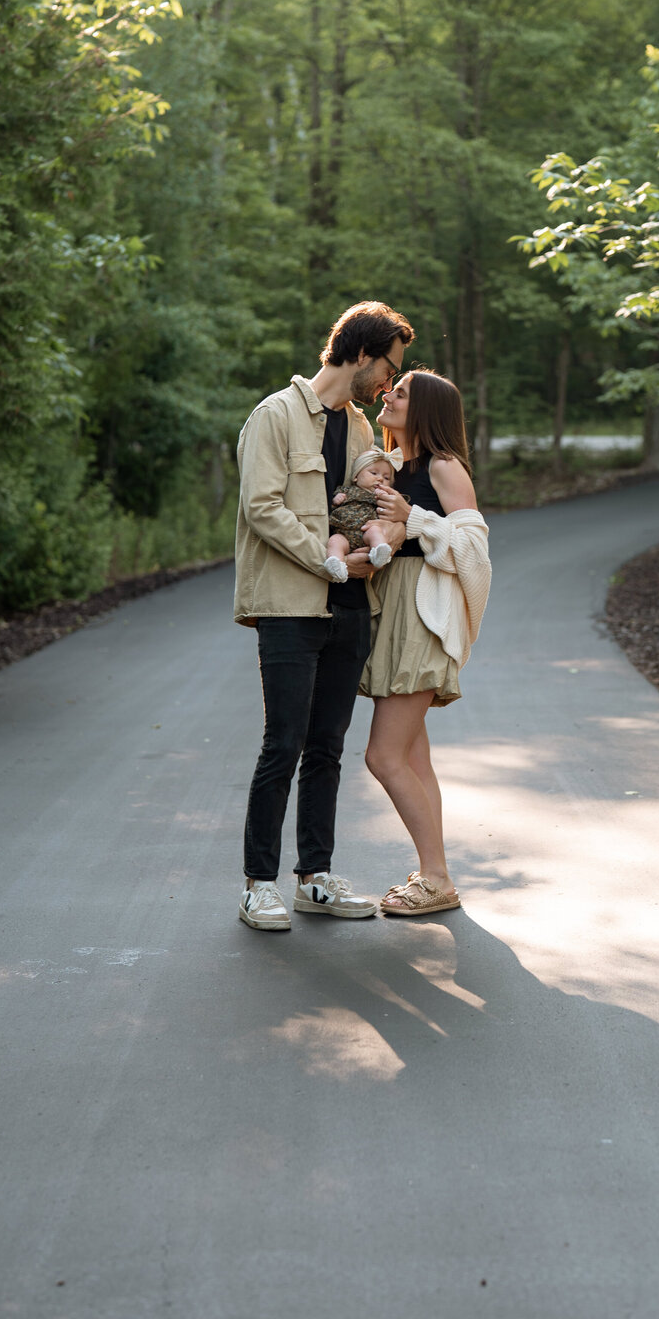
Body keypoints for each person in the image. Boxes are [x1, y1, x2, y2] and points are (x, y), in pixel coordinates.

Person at [233, 301, 415, 931]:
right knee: (283, 743)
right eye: (389, 366)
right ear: (362, 353)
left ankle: (314, 877)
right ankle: (259, 884)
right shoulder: (274, 416)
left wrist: (368, 556)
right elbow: (262, 507)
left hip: (351, 607)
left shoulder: (362, 430)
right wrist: (327, 562)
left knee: (328, 747)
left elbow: (361, 506)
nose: (391, 381)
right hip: (289, 604)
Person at [359, 368, 491, 916]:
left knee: (383, 756)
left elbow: (474, 555)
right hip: (393, 614)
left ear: (428, 410)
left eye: (403, 392)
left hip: (421, 618)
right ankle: (433, 874)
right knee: (414, 757)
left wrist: (416, 520)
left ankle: (437, 878)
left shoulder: (442, 466)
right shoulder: (397, 467)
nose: (388, 395)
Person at [322, 447, 404, 582]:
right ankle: (336, 563)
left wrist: (384, 497)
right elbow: (333, 507)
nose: (380, 479)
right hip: (344, 534)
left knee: (376, 531)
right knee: (334, 541)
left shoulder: (383, 497)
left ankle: (379, 551)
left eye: (386, 477)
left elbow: (394, 512)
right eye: (373, 473)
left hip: (367, 532)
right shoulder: (346, 491)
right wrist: (337, 500)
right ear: (355, 476)